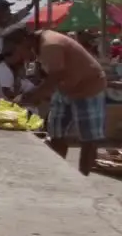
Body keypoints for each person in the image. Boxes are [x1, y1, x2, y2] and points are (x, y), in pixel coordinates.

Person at [8, 27, 108, 175]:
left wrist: (28, 97)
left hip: (88, 88)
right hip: (66, 89)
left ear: (24, 41)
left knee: (89, 139)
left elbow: (55, 77)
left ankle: (83, 179)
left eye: (17, 49)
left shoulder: (50, 44)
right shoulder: (38, 46)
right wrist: (34, 96)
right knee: (56, 134)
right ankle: (57, 175)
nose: (18, 55)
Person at [0, 0, 32, 75]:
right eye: (7, 9)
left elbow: (17, 16)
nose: (10, 11)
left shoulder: (7, 22)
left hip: (7, 64)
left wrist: (29, 7)